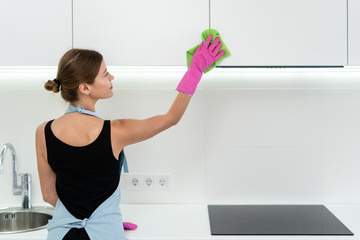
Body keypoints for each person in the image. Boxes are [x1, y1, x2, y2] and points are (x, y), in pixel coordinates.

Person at [35, 34, 225, 240]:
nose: (111, 78)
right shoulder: (116, 131)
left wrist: (86, 214)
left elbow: (49, 195)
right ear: (85, 88)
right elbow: (171, 118)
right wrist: (195, 70)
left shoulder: (43, 132)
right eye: (105, 74)